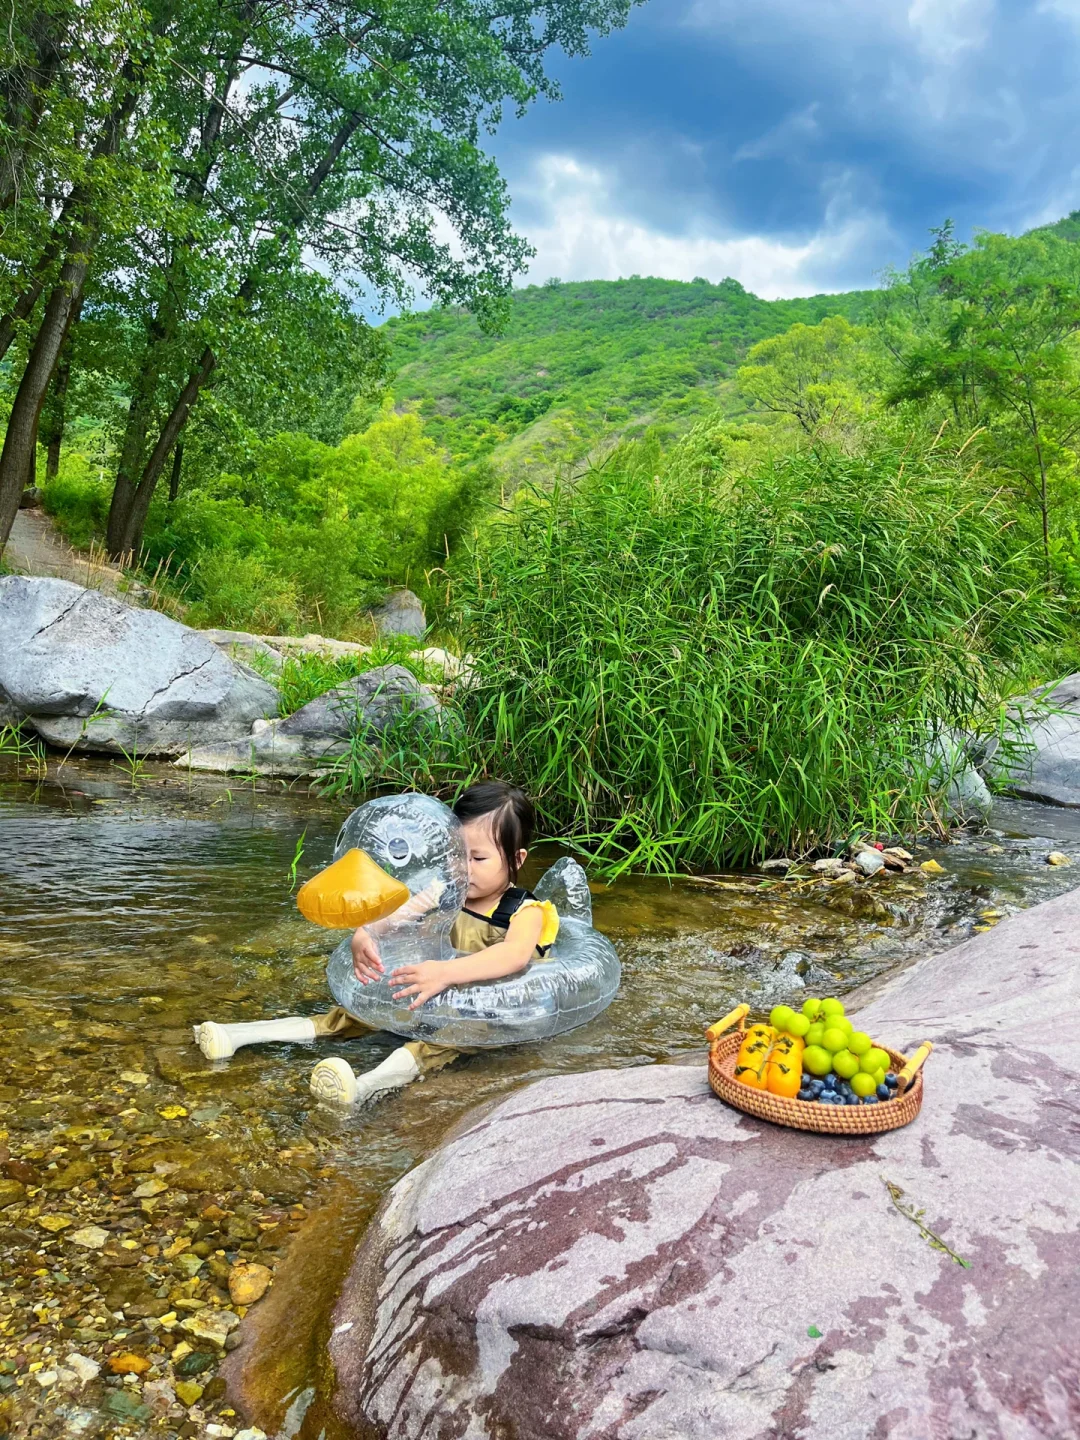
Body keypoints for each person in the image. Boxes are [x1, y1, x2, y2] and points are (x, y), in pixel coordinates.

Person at [193, 781, 558, 1107]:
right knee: (353, 1016)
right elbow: (394, 916)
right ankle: (238, 1035)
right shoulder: (442, 891)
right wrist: (365, 933)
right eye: (454, 854)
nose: (463, 867)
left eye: (477, 858)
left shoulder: (525, 911)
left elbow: (513, 956)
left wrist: (446, 973)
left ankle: (361, 1088)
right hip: (430, 987)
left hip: (481, 1010)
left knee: (434, 1045)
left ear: (516, 859)